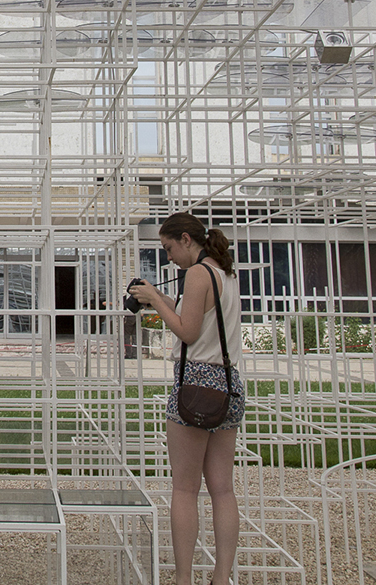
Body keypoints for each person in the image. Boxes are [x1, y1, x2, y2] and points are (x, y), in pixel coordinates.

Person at [129, 212, 243, 585]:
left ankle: (183, 578)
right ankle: (222, 577)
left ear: (185, 239)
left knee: (184, 487)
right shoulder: (224, 273)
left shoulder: (196, 275)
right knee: (223, 488)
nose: (169, 257)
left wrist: (156, 304)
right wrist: (157, 295)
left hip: (195, 383)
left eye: (168, 248)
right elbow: (201, 319)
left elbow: (188, 332)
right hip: (229, 386)